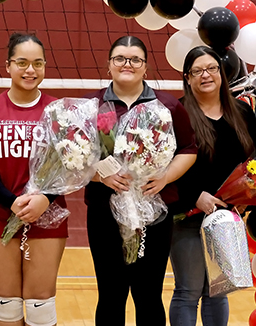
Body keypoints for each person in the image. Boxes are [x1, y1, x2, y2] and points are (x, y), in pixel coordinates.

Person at [82, 35, 197, 325]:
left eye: (135, 59)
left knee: (148, 294)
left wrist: (165, 177)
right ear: (109, 65)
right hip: (104, 212)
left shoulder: (167, 106)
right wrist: (100, 176)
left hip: (154, 212)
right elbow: (76, 159)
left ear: (146, 67)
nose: (127, 64)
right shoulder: (91, 108)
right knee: (111, 293)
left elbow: (188, 149)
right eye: (120, 58)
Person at [0, 33, 66, 326]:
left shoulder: (59, 112)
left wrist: (44, 199)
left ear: (45, 66)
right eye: (21, 62)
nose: (29, 70)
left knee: (41, 307)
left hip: (48, 215)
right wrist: (12, 202)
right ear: (8, 65)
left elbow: (70, 166)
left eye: (37, 63)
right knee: (7, 305)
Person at [169, 46, 256, 326]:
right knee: (188, 291)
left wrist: (249, 195)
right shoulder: (177, 113)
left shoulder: (241, 112)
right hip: (188, 215)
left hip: (227, 219)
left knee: (219, 292)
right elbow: (165, 165)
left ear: (221, 73)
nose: (205, 75)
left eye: (211, 68)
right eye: (197, 71)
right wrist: (196, 196)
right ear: (187, 77)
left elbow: (255, 158)